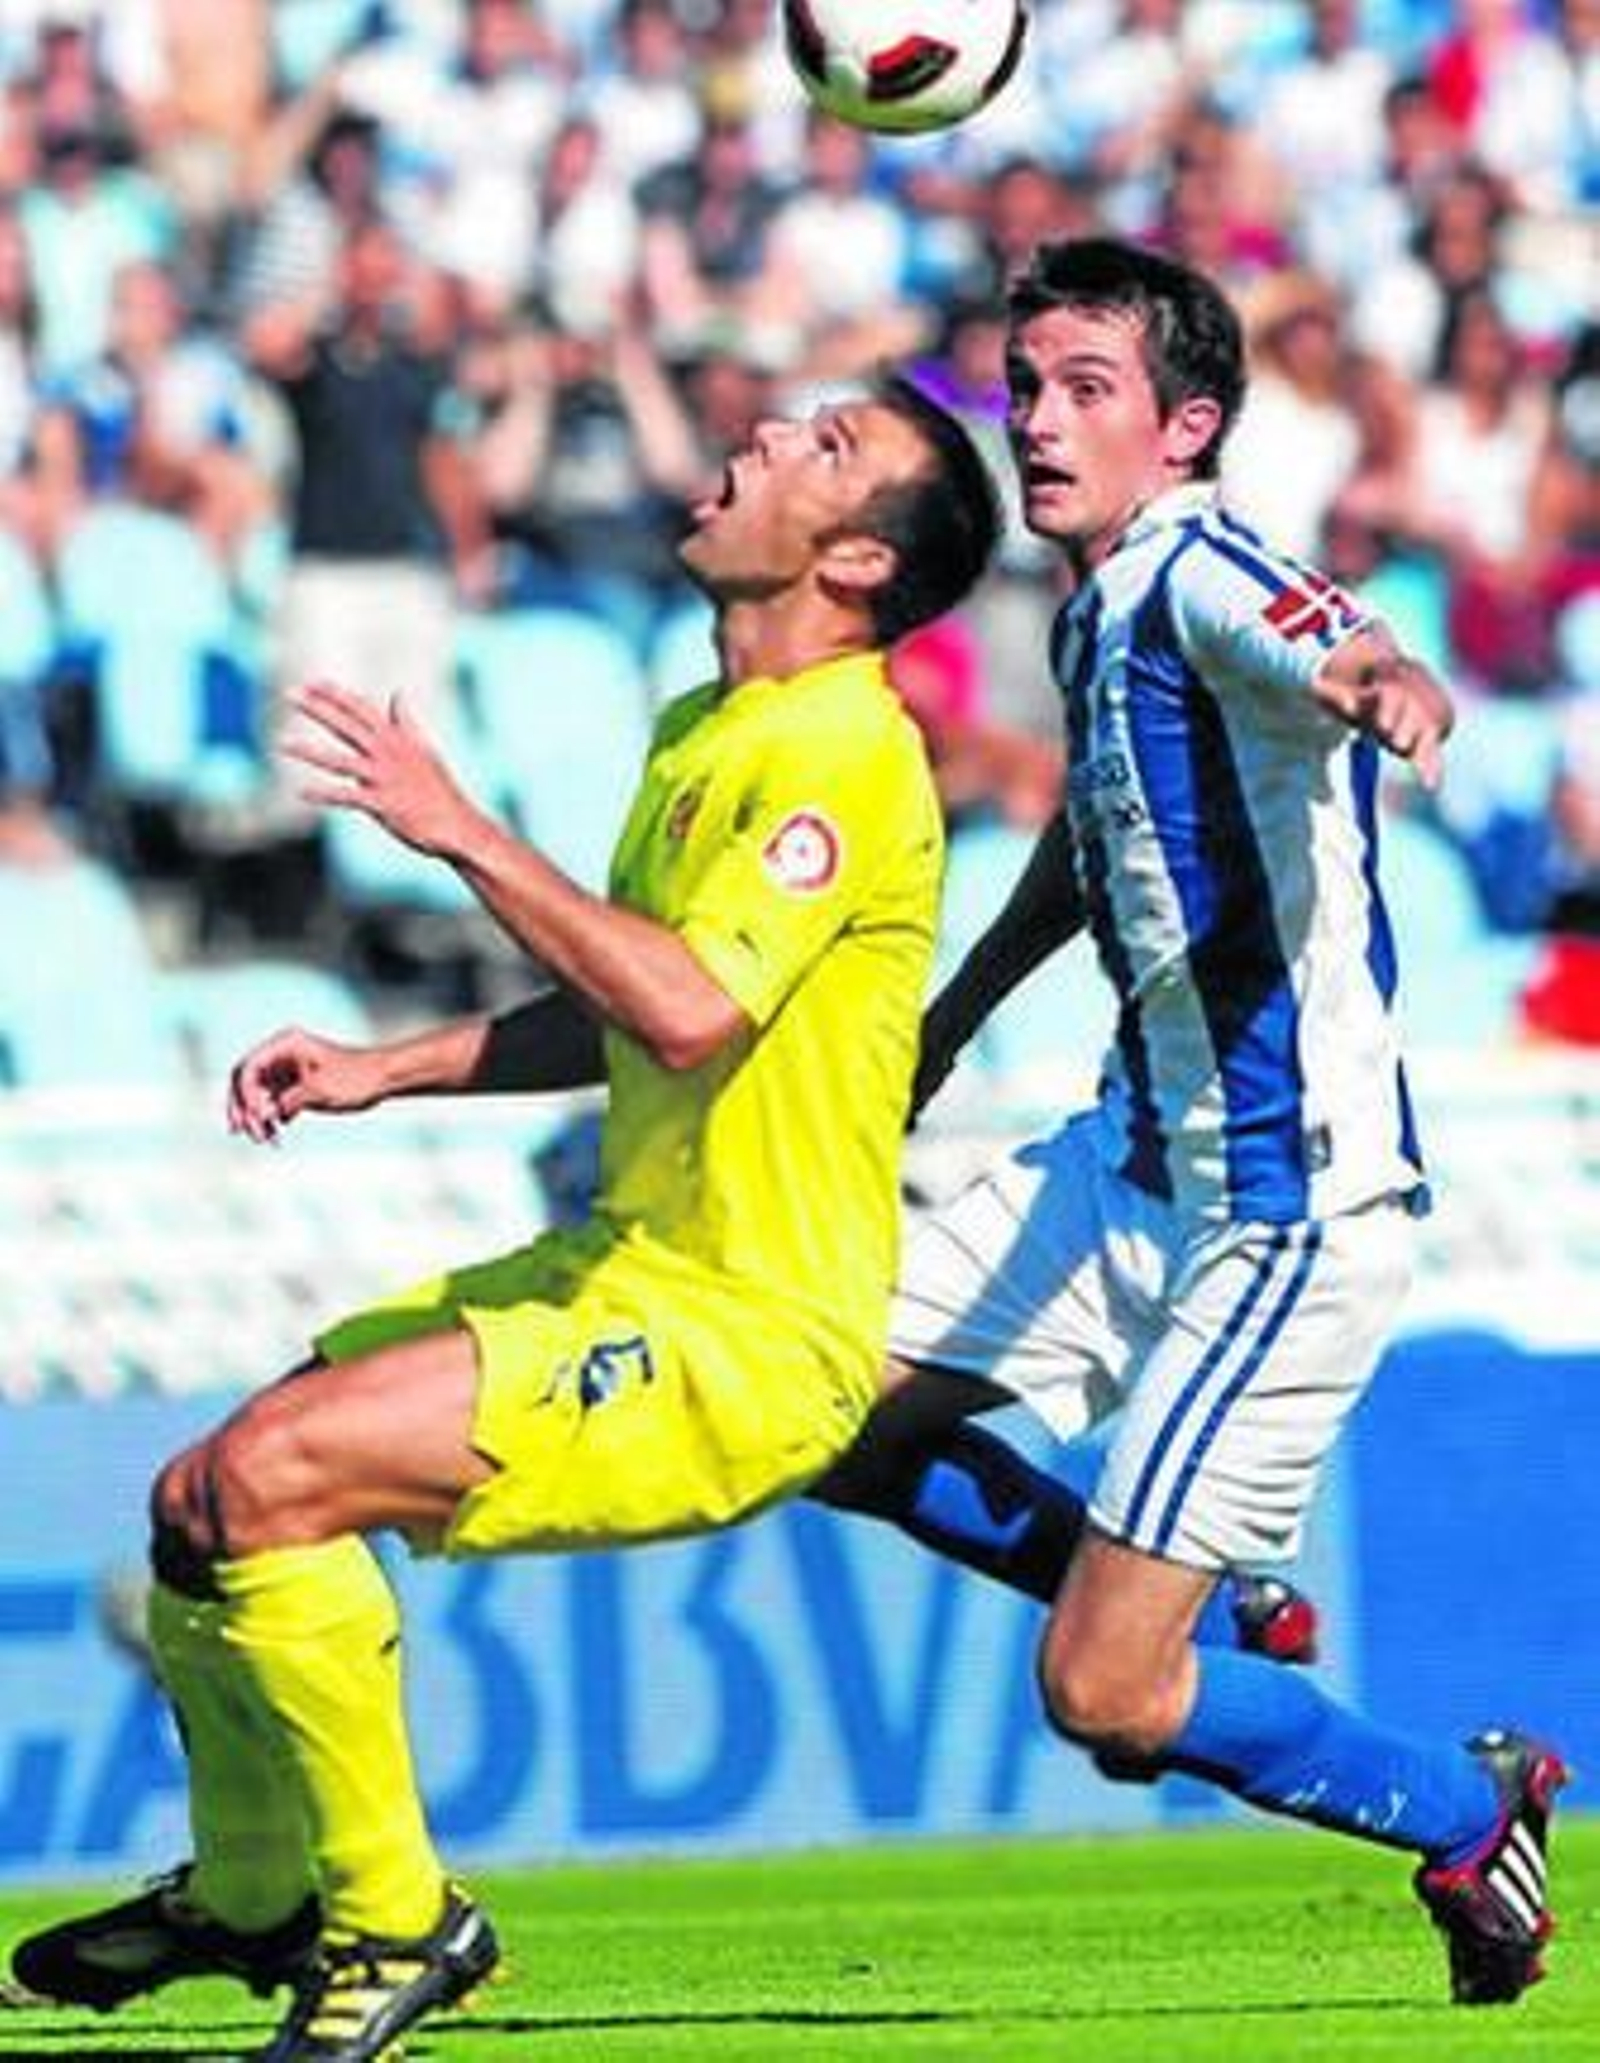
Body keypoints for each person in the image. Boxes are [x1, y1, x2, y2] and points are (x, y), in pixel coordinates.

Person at [9, 374, 1001, 2063]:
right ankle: (253, 1896)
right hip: (625, 1268)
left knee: (272, 1483)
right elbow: (633, 1006)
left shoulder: (848, 755)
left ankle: (395, 1920)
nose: (762, 436)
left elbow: (690, 1012)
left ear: (852, 567)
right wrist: (382, 1065)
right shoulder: (707, 734)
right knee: (201, 1506)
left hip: (744, 1335)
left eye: (820, 449)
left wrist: (458, 828)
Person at [816, 237, 1567, 2008]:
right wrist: (955, 1016)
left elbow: (1329, 639)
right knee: (811, 1411)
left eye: (1088, 391)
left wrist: (1392, 685)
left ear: (1187, 427)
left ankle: (1474, 1810)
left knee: (1105, 1703)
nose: (1040, 424)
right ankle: (1196, 1606)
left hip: (1280, 1220)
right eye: (1026, 389)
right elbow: (1091, 849)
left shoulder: (1210, 566)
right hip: (1120, 1165)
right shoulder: (1095, 610)